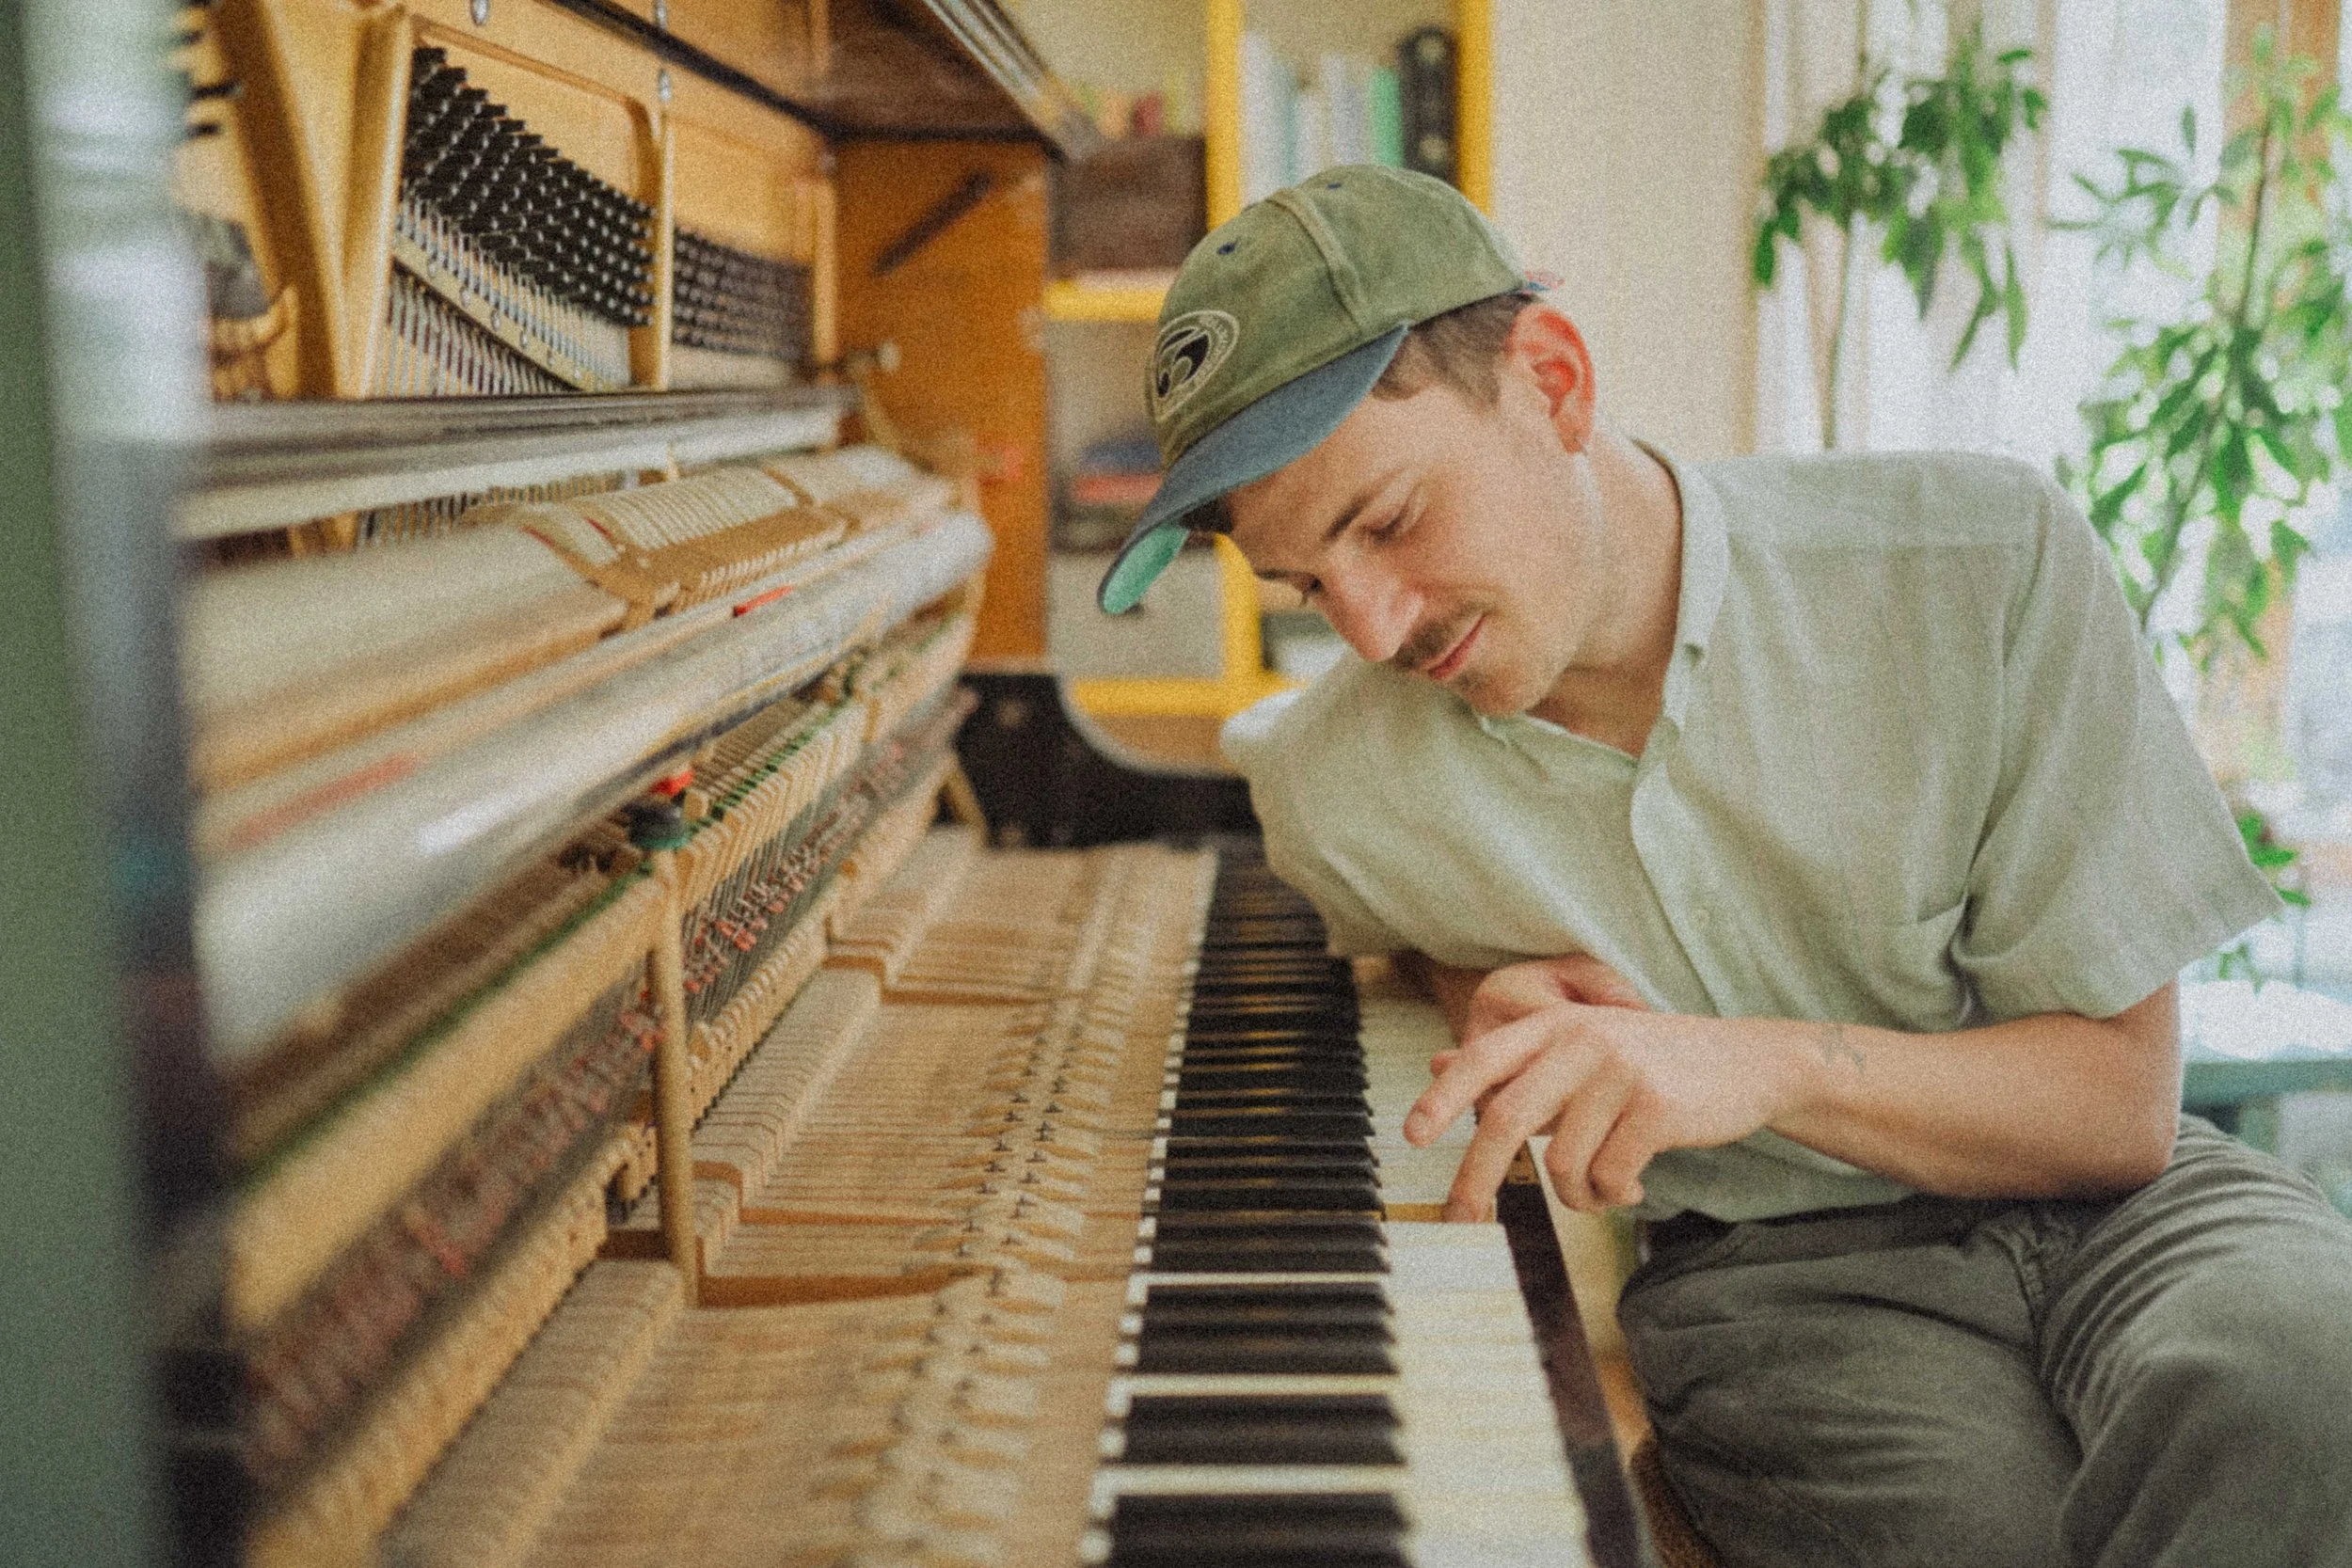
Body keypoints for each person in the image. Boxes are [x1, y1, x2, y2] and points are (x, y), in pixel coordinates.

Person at [1097, 165, 2352, 1568]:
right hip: (1778, 1279)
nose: (1375, 628)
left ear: (1554, 383)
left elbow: (2120, 1107)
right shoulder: (1334, 783)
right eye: (1309, 586)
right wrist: (1466, 980)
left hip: (2132, 1202)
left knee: (2306, 1383)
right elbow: (1389, 923)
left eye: (1387, 522)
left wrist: (1756, 1060)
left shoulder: (1982, 559)